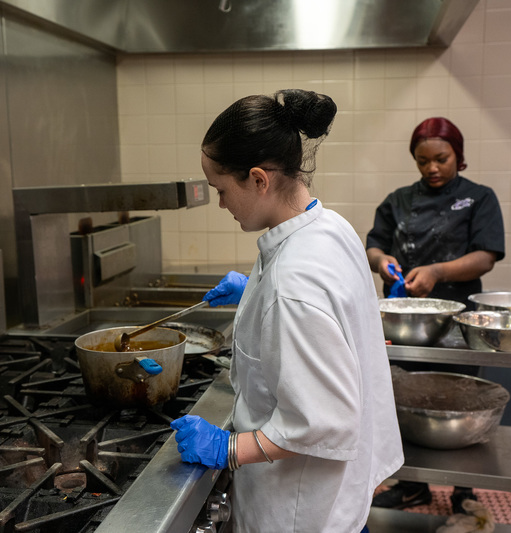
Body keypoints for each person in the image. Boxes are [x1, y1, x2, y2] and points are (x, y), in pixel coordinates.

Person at [168, 89, 404, 533]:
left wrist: (228, 448)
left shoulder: (294, 285)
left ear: (259, 180)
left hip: (303, 512)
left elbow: (321, 423)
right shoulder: (328, 224)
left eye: (222, 190)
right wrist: (253, 290)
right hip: (339, 496)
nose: (222, 204)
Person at [365, 117, 505, 514]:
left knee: (461, 405)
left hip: (457, 324)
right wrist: (383, 261)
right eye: (422, 160)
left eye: (441, 159)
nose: (432, 168)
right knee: (406, 402)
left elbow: (486, 256)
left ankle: (465, 491)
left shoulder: (479, 198)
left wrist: (439, 271)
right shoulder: (399, 200)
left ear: (458, 156)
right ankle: (413, 486)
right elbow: (374, 244)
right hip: (405, 324)